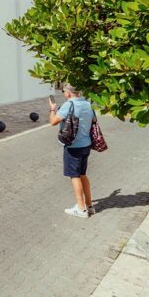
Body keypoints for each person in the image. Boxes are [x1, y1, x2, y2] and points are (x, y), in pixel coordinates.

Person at [49, 84, 95, 218]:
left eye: (63, 91)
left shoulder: (68, 105)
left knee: (75, 176)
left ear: (68, 93)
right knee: (82, 174)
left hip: (73, 146)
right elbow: (92, 121)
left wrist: (52, 109)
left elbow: (53, 122)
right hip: (86, 144)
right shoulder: (87, 104)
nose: (63, 93)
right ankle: (89, 205)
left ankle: (81, 208)